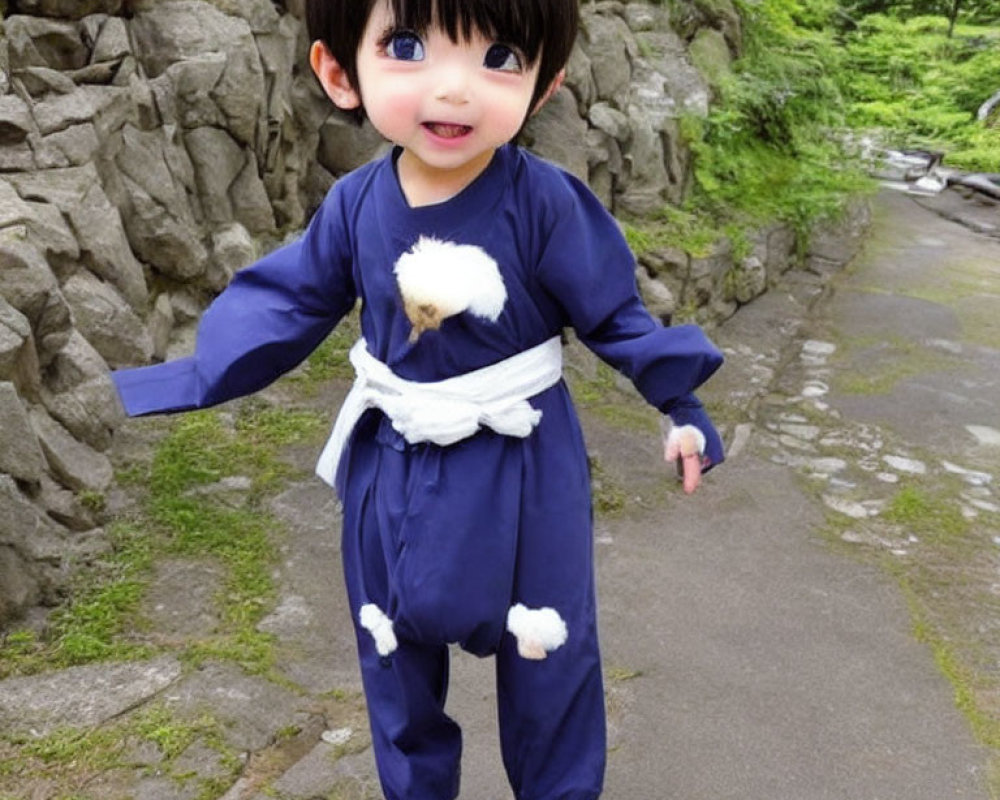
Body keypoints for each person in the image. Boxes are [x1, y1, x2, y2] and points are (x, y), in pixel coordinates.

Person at [112, 1, 726, 797]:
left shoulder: (547, 204)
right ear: (340, 72)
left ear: (544, 86)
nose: (456, 89)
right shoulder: (356, 205)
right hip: (392, 462)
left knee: (549, 655)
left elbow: (617, 315)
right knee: (391, 651)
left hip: (524, 463)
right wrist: (178, 380)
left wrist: (684, 409)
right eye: (408, 47)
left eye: (499, 58)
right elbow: (287, 303)